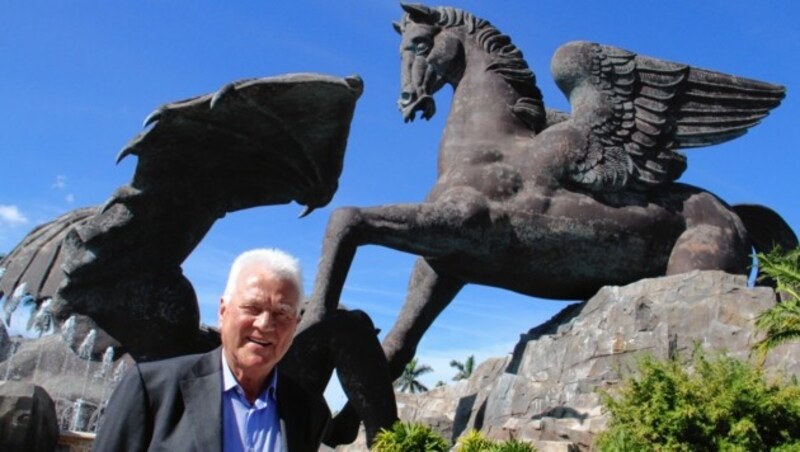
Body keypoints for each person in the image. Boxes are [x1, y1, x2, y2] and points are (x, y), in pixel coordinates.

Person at [93, 248, 330, 452]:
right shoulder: (153, 390)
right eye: (252, 307)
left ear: (295, 325)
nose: (265, 325)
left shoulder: (309, 412)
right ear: (223, 311)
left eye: (282, 313)